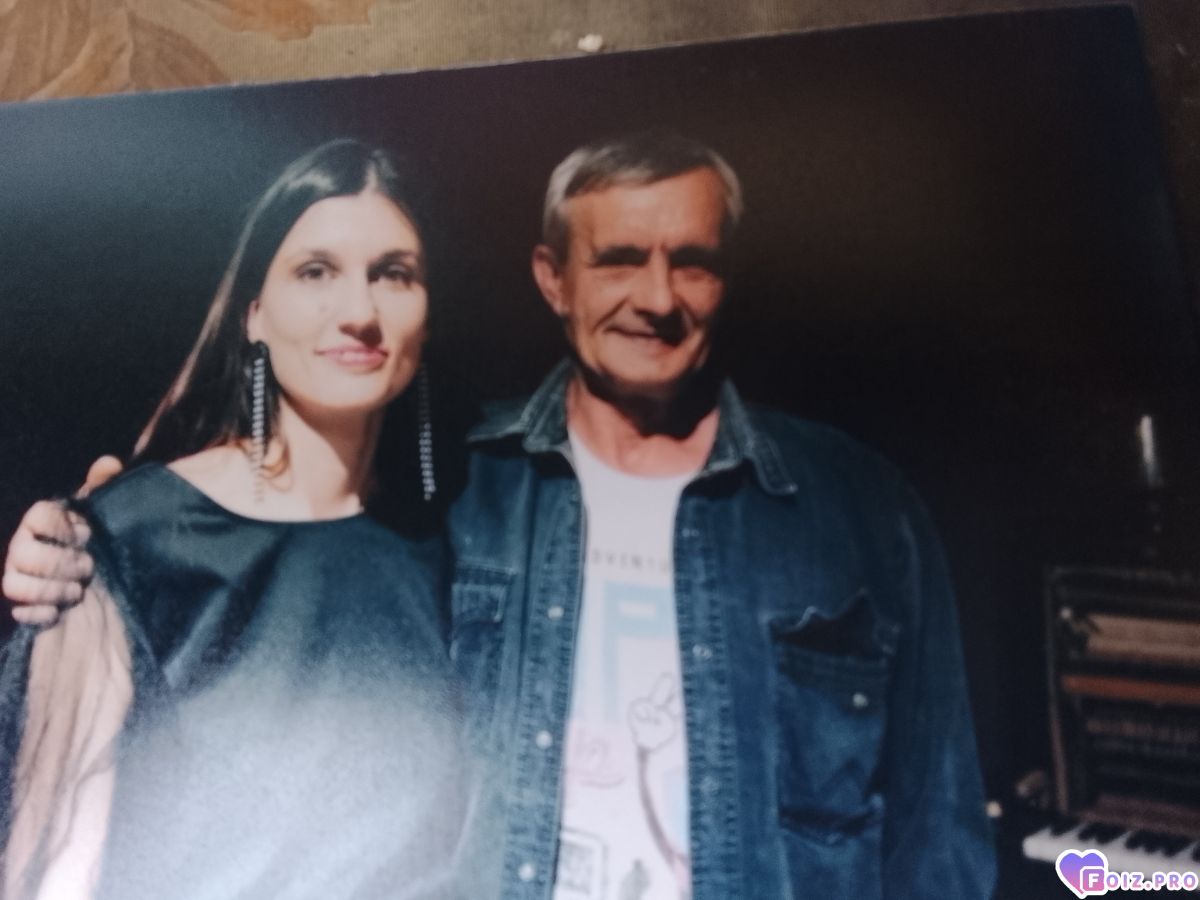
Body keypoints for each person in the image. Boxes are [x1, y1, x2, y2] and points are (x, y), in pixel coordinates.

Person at [5, 132, 996, 899]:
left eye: (691, 260)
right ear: (551, 279)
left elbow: (940, 836)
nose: (656, 298)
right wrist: (74, 540)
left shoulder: (853, 508)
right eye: (619, 259)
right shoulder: (456, 492)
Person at [0, 139, 464, 899]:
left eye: (393, 273)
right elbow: (55, 872)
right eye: (316, 272)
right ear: (255, 314)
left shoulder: (461, 543)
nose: (359, 313)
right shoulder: (130, 537)